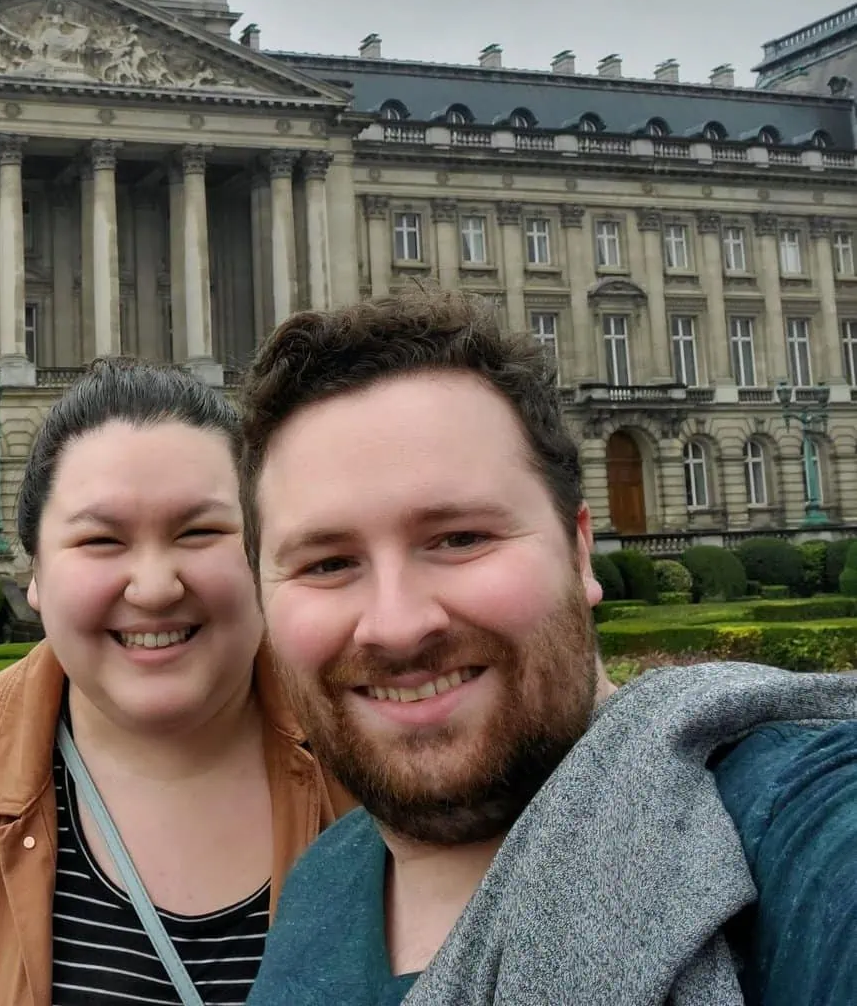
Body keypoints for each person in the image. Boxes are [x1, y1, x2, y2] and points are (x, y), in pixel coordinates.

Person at [238, 289, 857, 1006]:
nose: (397, 623)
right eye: (326, 563)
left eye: (460, 538)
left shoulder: (780, 814)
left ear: (579, 550)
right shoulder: (319, 883)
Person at [0, 359, 344, 1006]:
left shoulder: (366, 741)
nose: (153, 588)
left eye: (200, 532)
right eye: (100, 540)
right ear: (33, 574)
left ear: (264, 549)